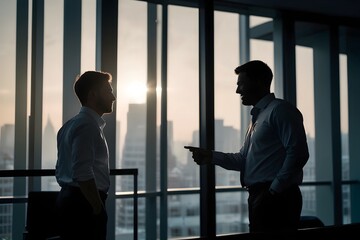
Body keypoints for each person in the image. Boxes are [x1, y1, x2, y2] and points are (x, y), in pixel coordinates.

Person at [185, 60, 309, 233]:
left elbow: (298, 153)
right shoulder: (258, 118)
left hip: (277, 197)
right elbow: (243, 160)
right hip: (262, 195)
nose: (237, 90)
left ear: (258, 81)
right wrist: (211, 156)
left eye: (241, 84)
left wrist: (274, 191)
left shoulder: (280, 111)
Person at [55, 71, 116, 240]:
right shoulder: (88, 126)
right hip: (84, 205)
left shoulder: (69, 126)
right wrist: (97, 208)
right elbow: (82, 172)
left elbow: (60, 169)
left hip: (71, 199)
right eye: (108, 91)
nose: (113, 97)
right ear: (93, 94)